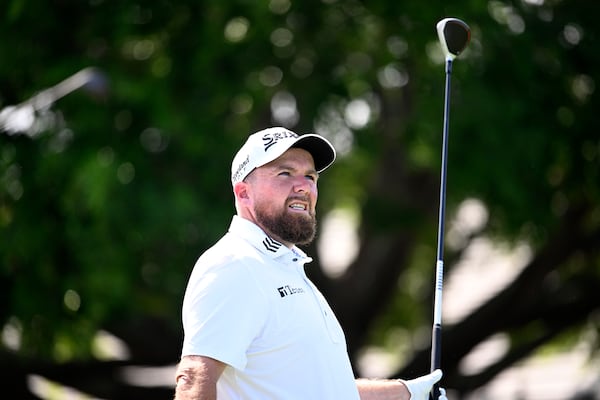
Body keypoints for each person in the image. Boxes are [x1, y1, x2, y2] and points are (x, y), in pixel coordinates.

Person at [175, 127, 446, 400]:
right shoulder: (235, 264)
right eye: (285, 173)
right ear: (244, 193)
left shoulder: (283, 267)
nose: (304, 187)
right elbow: (195, 379)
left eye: (310, 176)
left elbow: (323, 390)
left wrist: (407, 393)